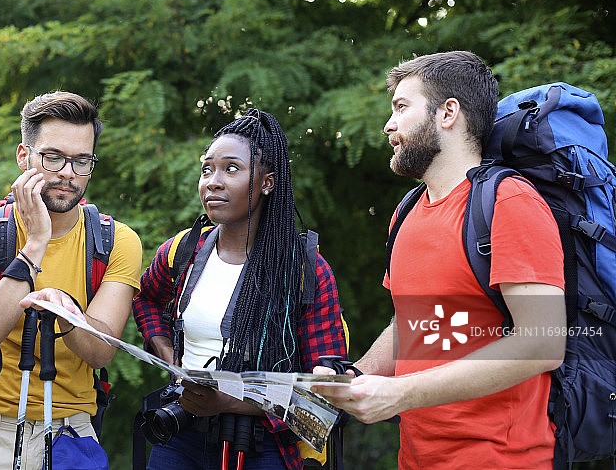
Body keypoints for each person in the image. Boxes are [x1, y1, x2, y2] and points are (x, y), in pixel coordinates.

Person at [313, 51, 566, 469]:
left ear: (448, 113)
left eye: (401, 107)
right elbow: (412, 323)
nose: (388, 125)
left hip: (500, 460)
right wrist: (356, 377)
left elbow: (543, 342)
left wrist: (400, 393)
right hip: (416, 458)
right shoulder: (406, 212)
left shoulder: (509, 201)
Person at [133, 108, 347, 470]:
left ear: (267, 182)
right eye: (207, 169)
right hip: (180, 435)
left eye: (231, 169)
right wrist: (169, 356)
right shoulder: (184, 250)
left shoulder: (303, 270)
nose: (213, 182)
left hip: (263, 446)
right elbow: (146, 299)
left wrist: (230, 402)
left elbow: (326, 391)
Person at [0, 90, 142, 469]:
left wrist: (69, 315)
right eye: (53, 157)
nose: (67, 172)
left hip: (72, 432)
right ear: (24, 156)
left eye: (82, 161)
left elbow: (102, 353)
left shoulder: (117, 241)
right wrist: (35, 245)